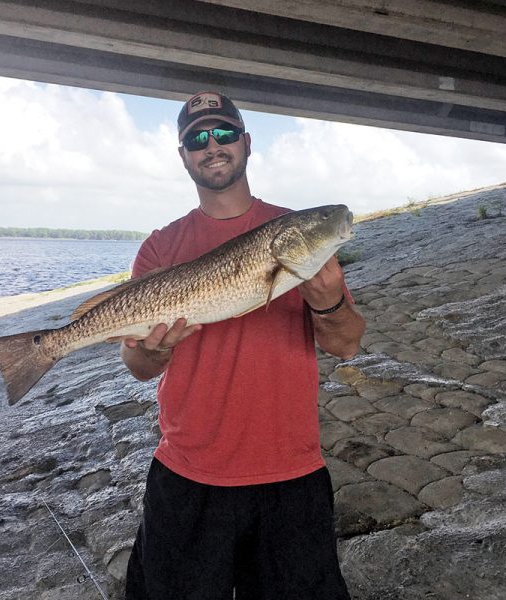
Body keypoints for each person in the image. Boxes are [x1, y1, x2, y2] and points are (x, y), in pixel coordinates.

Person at [120, 91, 366, 600]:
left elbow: (347, 345)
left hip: (291, 470)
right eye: (197, 138)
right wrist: (155, 351)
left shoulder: (295, 232)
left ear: (247, 143)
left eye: (224, 133)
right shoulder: (160, 247)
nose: (212, 146)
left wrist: (327, 302)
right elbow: (138, 365)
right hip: (188, 472)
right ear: (184, 154)